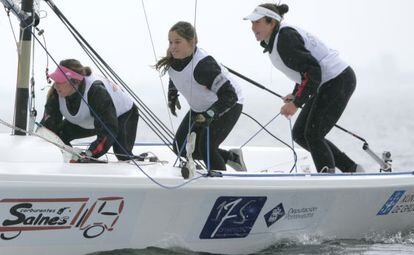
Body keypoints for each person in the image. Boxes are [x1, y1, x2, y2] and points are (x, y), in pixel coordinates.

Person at [244, 3, 363, 173]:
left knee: (313, 134)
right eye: (252, 23)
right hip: (326, 83)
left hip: (338, 80)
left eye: (257, 22)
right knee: (300, 133)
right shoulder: (279, 38)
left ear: (271, 23)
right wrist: (295, 95)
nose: (253, 27)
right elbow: (305, 72)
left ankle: (329, 179)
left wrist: (296, 103)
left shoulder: (285, 38)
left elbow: (313, 70)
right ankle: (352, 169)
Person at [155, 21, 246, 171]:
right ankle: (231, 158)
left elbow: (230, 95)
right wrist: (172, 95)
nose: (172, 46)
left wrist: (210, 114)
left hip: (228, 105)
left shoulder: (204, 66)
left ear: (192, 42)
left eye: (178, 42)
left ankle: (220, 185)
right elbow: (175, 75)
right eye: (170, 42)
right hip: (201, 107)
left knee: (207, 146)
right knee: (180, 147)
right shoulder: (173, 60)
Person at [41, 59, 139, 162]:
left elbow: (108, 130)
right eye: (55, 80)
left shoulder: (96, 91)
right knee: (58, 135)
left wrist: (89, 154)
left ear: (75, 82)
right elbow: (48, 129)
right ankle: (70, 156)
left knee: (123, 155)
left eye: (60, 81)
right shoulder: (57, 92)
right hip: (89, 119)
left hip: (123, 114)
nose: (55, 85)